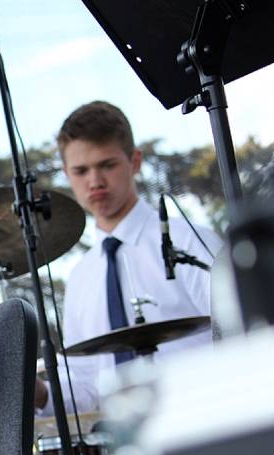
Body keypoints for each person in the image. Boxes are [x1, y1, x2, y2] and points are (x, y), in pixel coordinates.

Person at [35, 101, 223, 416]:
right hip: (127, 444)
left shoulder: (188, 240)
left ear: (134, 161)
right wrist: (38, 394)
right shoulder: (81, 278)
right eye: (81, 171)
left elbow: (238, 328)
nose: (94, 181)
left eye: (107, 165)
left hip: (202, 417)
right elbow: (85, 388)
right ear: (67, 174)